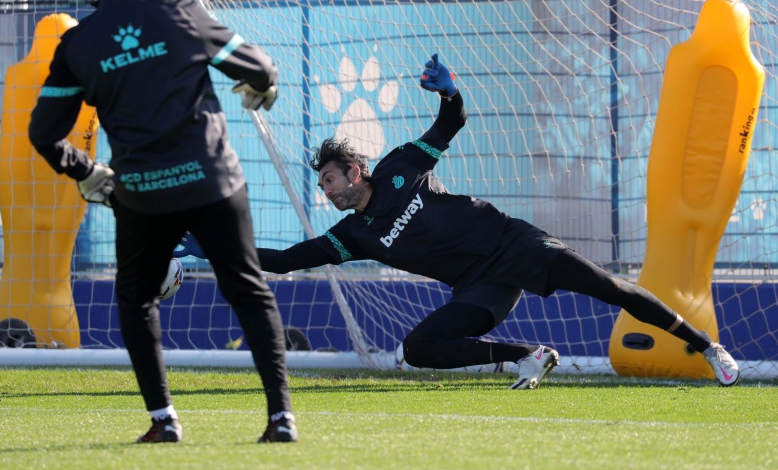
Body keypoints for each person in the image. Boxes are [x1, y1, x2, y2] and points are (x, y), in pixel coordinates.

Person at [180, 52, 742, 389]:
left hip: (513, 244)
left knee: (608, 288)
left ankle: (706, 347)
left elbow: (451, 122)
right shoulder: (351, 237)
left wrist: (450, 92)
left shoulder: (402, 166)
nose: (326, 192)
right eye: (322, 186)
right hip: (478, 286)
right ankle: (528, 356)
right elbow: (283, 261)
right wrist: (215, 250)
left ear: (355, 171)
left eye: (329, 180)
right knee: (419, 348)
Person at [28, 0, 297, 443]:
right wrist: (261, 86)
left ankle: (163, 420)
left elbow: (42, 133)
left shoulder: (79, 43)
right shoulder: (180, 13)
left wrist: (85, 172)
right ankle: (281, 418)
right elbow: (261, 67)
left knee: (136, 300)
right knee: (248, 289)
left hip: (142, 193)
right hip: (213, 180)